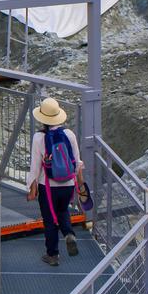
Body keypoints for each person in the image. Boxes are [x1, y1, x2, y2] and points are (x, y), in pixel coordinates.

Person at [27, 97, 84, 266]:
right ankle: (68, 234)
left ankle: (52, 255)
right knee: (63, 210)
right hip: (67, 184)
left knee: (49, 220)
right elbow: (77, 161)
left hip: (48, 186)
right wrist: (79, 182)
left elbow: (35, 166)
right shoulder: (69, 134)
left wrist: (31, 186)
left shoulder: (39, 137)